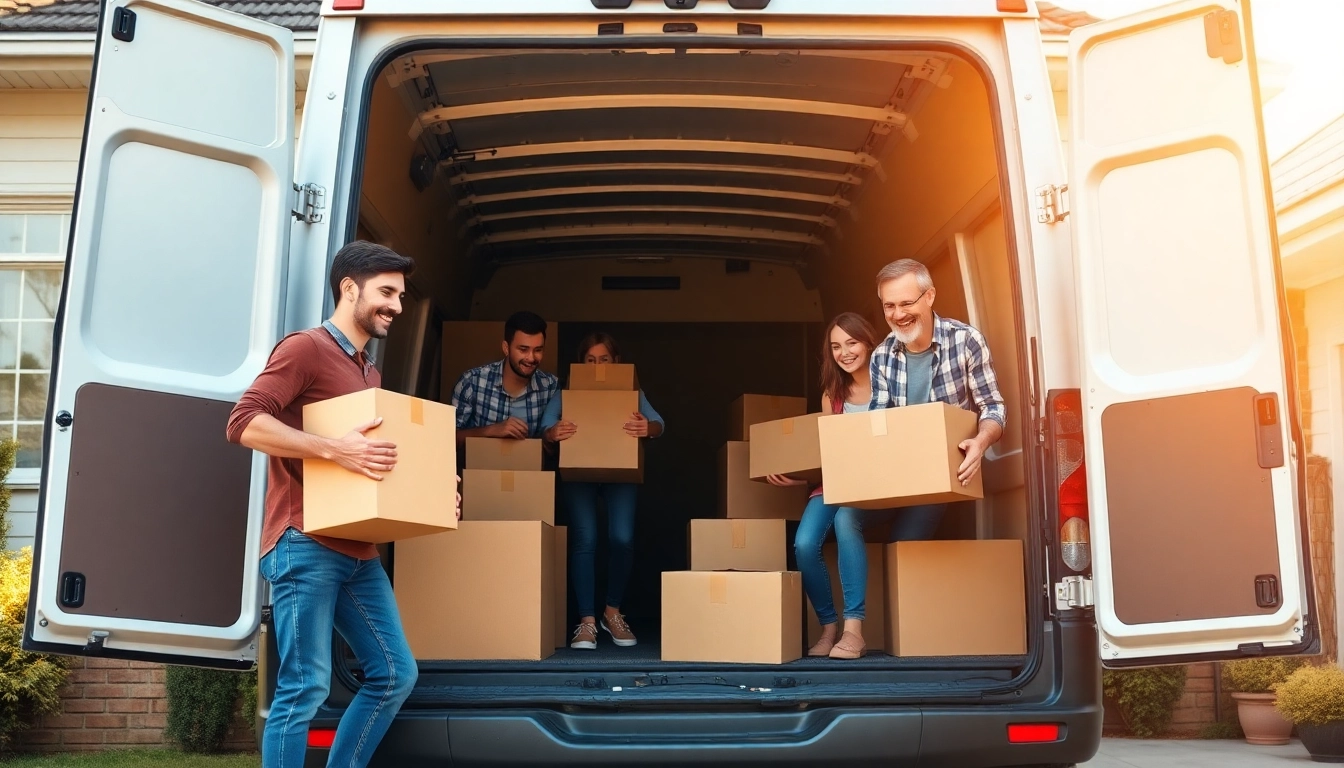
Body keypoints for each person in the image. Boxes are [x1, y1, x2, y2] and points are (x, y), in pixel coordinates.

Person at [226, 241, 460, 768]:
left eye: (400, 295)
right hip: (303, 542)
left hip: (357, 550)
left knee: (395, 674)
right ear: (348, 288)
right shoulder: (304, 349)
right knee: (303, 687)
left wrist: (434, 490)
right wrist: (333, 447)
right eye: (386, 292)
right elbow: (243, 422)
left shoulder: (368, 373)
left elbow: (374, 460)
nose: (396, 306)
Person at [851, 257, 1006, 540]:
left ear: (930, 296)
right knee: (845, 519)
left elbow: (992, 406)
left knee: (905, 541)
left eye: (906, 303)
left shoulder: (965, 340)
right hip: (898, 472)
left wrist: (980, 443)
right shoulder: (882, 356)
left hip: (947, 473)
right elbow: (878, 422)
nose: (898, 314)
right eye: (889, 305)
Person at [767, 312, 881, 659]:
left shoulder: (892, 384)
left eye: (851, 342)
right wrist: (801, 476)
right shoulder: (832, 395)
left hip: (878, 484)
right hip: (836, 482)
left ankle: (854, 631)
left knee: (847, 518)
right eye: (836, 346)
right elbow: (830, 455)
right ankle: (829, 628)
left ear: (868, 343)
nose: (844, 352)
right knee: (803, 543)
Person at [540, 332, 665, 650]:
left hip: (619, 473)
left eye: (604, 360)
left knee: (622, 538)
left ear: (616, 362)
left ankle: (612, 612)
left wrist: (645, 428)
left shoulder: (631, 390)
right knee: (587, 539)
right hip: (579, 473)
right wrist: (554, 432)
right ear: (581, 363)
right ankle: (586, 622)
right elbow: (546, 424)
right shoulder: (568, 390)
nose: (597, 366)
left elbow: (659, 423)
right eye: (590, 360)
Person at [451, 311, 560, 445]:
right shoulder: (472, 382)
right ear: (506, 348)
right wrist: (490, 431)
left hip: (529, 465)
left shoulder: (551, 387)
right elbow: (448, 438)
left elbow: (553, 447)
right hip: (481, 465)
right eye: (523, 349)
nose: (531, 358)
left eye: (538, 350)